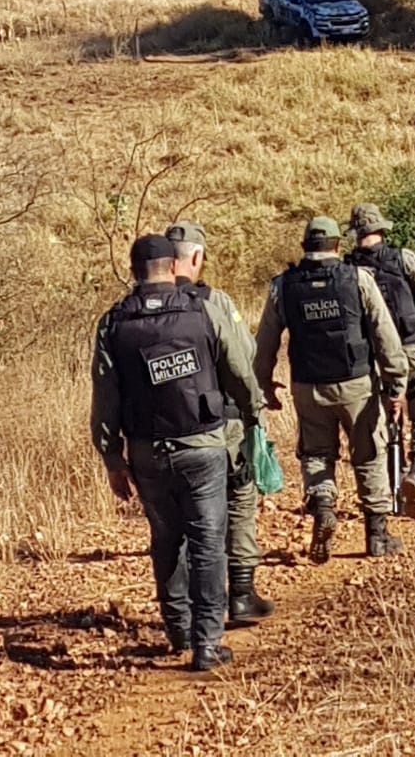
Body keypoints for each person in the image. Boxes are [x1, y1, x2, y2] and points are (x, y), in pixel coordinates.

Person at [90, 235, 263, 672]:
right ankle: (207, 645)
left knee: (166, 539)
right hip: (203, 446)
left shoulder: (113, 323)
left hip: (147, 452)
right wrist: (252, 412)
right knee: (208, 543)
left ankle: (178, 629)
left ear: (133, 271)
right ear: (173, 267)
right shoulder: (202, 309)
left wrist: (112, 457)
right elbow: (238, 369)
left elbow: (105, 397)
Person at [254, 216, 409, 563]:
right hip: (357, 385)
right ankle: (377, 535)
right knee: (369, 454)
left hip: (308, 386)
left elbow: (264, 343)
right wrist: (396, 385)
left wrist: (264, 385)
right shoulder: (358, 279)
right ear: (338, 245)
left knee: (316, 455)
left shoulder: (283, 286)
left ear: (305, 247)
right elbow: (385, 336)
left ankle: (324, 506)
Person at [164, 219, 273, 627]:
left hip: (161, 434)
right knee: (238, 498)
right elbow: (243, 356)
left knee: (179, 520)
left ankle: (184, 609)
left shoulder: (138, 310)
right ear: (196, 258)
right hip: (219, 424)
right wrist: (253, 410)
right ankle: (240, 593)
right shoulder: (216, 303)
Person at [345, 204, 415, 518]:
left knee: (382, 423)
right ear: (381, 229)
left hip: (370, 358)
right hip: (411, 351)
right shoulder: (403, 258)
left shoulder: (347, 269)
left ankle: (389, 490)